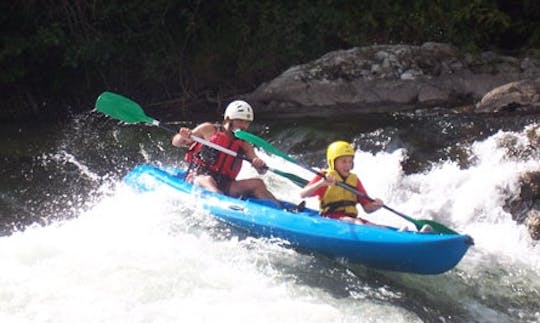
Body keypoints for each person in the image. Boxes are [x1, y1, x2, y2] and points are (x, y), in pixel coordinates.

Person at [172, 100, 281, 206]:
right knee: (208, 180)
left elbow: (260, 170)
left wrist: (259, 165)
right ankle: (222, 203)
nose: (244, 125)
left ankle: (282, 211)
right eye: (240, 121)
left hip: (225, 184)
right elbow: (176, 143)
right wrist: (183, 136)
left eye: (247, 122)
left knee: (258, 183)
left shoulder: (245, 144)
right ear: (229, 119)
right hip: (198, 177)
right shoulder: (209, 129)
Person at [299, 140, 384, 225]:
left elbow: (367, 208)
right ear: (333, 162)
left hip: (351, 219)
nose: (347, 165)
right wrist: (321, 183)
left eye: (350, 161)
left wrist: (375, 206)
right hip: (330, 218)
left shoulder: (354, 180)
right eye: (343, 161)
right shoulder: (325, 177)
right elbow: (302, 194)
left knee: (378, 227)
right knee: (358, 223)